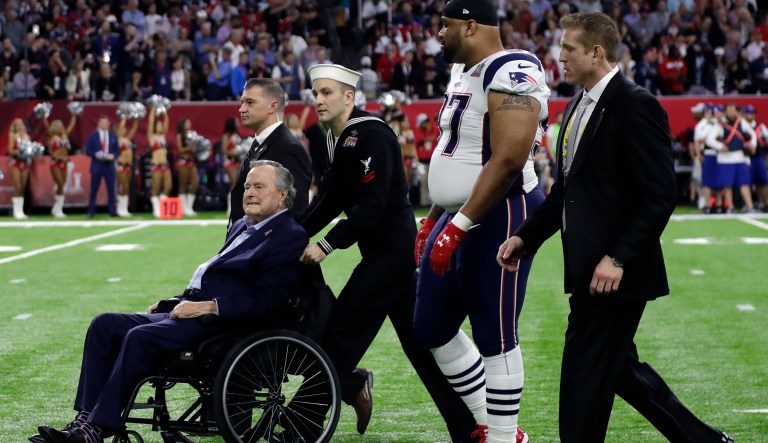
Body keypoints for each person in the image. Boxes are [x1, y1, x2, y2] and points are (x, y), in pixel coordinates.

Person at [497, 12, 734, 443]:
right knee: (622, 374)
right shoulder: (574, 106)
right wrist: (524, 238)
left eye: (568, 48)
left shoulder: (636, 103)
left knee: (581, 381)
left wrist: (619, 257)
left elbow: (660, 195)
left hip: (614, 275)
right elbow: (564, 194)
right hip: (590, 271)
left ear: (596, 52)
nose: (559, 56)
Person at [32, 161, 308, 443]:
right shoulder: (241, 226)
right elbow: (216, 279)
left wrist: (210, 306)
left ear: (283, 194)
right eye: (247, 186)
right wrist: (171, 303)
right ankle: (85, 419)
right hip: (194, 313)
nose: (249, 192)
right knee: (104, 325)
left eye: (259, 186)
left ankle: (96, 429)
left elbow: (269, 302)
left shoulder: (289, 235)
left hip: (225, 325)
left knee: (140, 336)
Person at [298, 63, 476, 442]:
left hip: (390, 258)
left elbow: (371, 208)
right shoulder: (340, 137)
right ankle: (467, 426)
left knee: (342, 332)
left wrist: (327, 245)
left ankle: (303, 423)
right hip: (387, 256)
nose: (318, 100)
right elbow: (330, 201)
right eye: (315, 94)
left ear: (349, 96)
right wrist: (290, 233)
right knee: (423, 349)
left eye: (327, 92)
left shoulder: (370, 134)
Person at [412, 1, 550, 442]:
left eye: (445, 25)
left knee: (495, 331)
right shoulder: (463, 71)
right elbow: (460, 150)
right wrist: (435, 215)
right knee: (430, 325)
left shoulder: (514, 68)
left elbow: (508, 158)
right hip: (459, 212)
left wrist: (458, 224)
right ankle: (487, 420)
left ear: (471, 26)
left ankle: (505, 436)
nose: (438, 34)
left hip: (502, 211)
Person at [228, 78, 312, 227]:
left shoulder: (288, 148)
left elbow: (295, 213)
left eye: (250, 102)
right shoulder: (259, 143)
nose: (241, 109)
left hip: (268, 248)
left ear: (272, 107)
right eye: (242, 102)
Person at [42, 111, 78, 218]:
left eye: (61, 124)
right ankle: (57, 208)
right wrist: (44, 116)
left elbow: (72, 125)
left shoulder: (65, 135)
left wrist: (74, 114)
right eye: (58, 125)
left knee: (62, 185)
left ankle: (58, 209)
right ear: (54, 126)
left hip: (64, 162)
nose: (60, 126)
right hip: (56, 163)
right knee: (60, 184)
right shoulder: (51, 135)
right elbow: (46, 126)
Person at [85, 116, 120, 218]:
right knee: (94, 189)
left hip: (109, 165)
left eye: (106, 122)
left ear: (108, 123)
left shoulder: (113, 136)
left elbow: (117, 151)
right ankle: (91, 211)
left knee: (111, 189)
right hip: (97, 165)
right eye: (102, 122)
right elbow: (88, 150)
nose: (104, 124)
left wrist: (112, 156)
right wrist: (97, 154)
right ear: (99, 124)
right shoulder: (93, 136)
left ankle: (113, 211)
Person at [147, 107, 172, 217]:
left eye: (161, 125)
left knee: (168, 187)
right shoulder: (152, 137)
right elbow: (151, 121)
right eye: (158, 125)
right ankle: (156, 208)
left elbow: (167, 121)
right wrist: (153, 109)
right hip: (156, 165)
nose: (160, 126)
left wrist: (164, 110)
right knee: (155, 188)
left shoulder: (163, 136)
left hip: (165, 165)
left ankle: (161, 206)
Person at [742, 105, 768, 210]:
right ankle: (749, 203)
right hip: (745, 157)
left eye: (753, 113)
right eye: (749, 113)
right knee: (746, 182)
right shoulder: (741, 126)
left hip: (758, 156)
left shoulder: (760, 126)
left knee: (762, 180)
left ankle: (765, 202)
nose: (752, 115)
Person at [7, 118, 31, 219]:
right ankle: (16, 211)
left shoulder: (27, 137)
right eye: (17, 124)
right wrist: (19, 152)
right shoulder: (13, 135)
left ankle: (21, 211)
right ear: (14, 126)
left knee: (23, 187)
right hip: (15, 163)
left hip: (25, 163)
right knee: (17, 186)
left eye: (21, 124)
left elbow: (30, 149)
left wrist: (30, 152)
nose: (20, 126)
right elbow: (10, 150)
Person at [175, 117, 199, 216]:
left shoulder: (193, 134)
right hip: (183, 162)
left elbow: (194, 149)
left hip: (191, 162)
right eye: (187, 123)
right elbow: (180, 150)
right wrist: (191, 146)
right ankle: (183, 208)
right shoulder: (179, 135)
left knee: (194, 185)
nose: (190, 124)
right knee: (183, 185)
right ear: (183, 124)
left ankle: (189, 207)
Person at [116, 116, 139, 217]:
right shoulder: (117, 139)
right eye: (122, 128)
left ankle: (124, 208)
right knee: (123, 186)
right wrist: (124, 116)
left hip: (129, 166)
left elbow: (134, 128)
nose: (124, 129)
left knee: (127, 187)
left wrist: (136, 118)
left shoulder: (127, 139)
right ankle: (120, 208)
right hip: (121, 165)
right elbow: (121, 126)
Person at [220, 116, 243, 215]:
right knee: (234, 184)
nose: (239, 123)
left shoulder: (237, 135)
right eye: (237, 121)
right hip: (229, 162)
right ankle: (230, 209)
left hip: (237, 161)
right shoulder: (226, 135)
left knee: (239, 184)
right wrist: (235, 154)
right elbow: (224, 150)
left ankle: (237, 207)